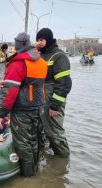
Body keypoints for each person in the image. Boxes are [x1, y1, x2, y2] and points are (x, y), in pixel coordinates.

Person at [0, 32, 48, 176]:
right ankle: (36, 171)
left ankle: (28, 179)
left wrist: (1, 114)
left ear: (17, 45)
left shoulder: (18, 63)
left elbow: (10, 93)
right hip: (38, 107)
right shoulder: (40, 62)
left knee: (22, 144)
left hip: (23, 110)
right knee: (35, 140)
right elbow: (32, 83)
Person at [35, 28, 72, 157]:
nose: (39, 42)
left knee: (55, 132)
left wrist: (55, 105)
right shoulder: (39, 54)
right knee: (43, 129)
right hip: (40, 98)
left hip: (52, 100)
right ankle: (49, 158)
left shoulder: (59, 56)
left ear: (48, 39)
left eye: (42, 40)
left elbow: (64, 83)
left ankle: (63, 160)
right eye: (37, 40)